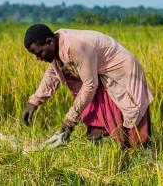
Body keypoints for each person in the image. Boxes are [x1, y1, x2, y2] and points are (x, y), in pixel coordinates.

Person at [20, 24, 153, 148]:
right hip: (101, 75)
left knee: (134, 131)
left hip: (123, 73)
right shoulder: (56, 47)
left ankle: (137, 152)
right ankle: (111, 144)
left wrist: (70, 121)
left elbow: (90, 86)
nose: (39, 58)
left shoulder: (76, 46)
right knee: (103, 121)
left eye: (39, 53)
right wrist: (33, 102)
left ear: (49, 42)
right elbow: (52, 75)